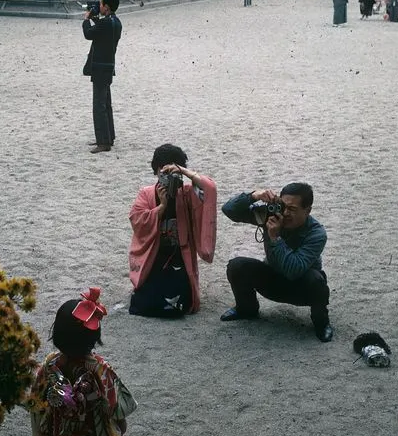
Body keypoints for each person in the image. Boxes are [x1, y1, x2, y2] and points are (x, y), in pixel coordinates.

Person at [29, 288, 137, 436]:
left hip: (60, 426)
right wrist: (120, 426)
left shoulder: (51, 362)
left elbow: (37, 398)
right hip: (92, 433)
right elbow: (114, 405)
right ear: (92, 337)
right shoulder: (98, 368)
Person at [220, 182, 333, 342]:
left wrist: (275, 238)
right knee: (237, 266)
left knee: (316, 280)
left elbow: (294, 270)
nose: (285, 213)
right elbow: (229, 210)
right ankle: (246, 309)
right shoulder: (271, 215)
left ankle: (321, 323)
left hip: (301, 288)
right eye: (283, 206)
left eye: (292, 209)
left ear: (307, 211)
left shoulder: (317, 233)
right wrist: (254, 196)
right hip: (272, 280)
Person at [128, 144, 216, 317]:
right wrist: (161, 207)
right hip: (153, 256)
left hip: (179, 256)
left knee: (181, 303)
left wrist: (184, 171)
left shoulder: (187, 192)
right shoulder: (146, 193)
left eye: (172, 171)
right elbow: (137, 220)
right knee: (144, 303)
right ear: (156, 170)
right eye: (163, 170)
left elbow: (210, 189)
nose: (168, 176)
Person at [83, 0, 122, 153]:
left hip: (99, 67)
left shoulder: (106, 23)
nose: (98, 6)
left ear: (106, 6)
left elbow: (88, 34)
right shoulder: (115, 22)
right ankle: (109, 137)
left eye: (100, 3)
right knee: (106, 104)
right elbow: (102, 29)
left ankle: (103, 142)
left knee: (98, 106)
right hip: (108, 66)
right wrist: (96, 18)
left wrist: (86, 19)